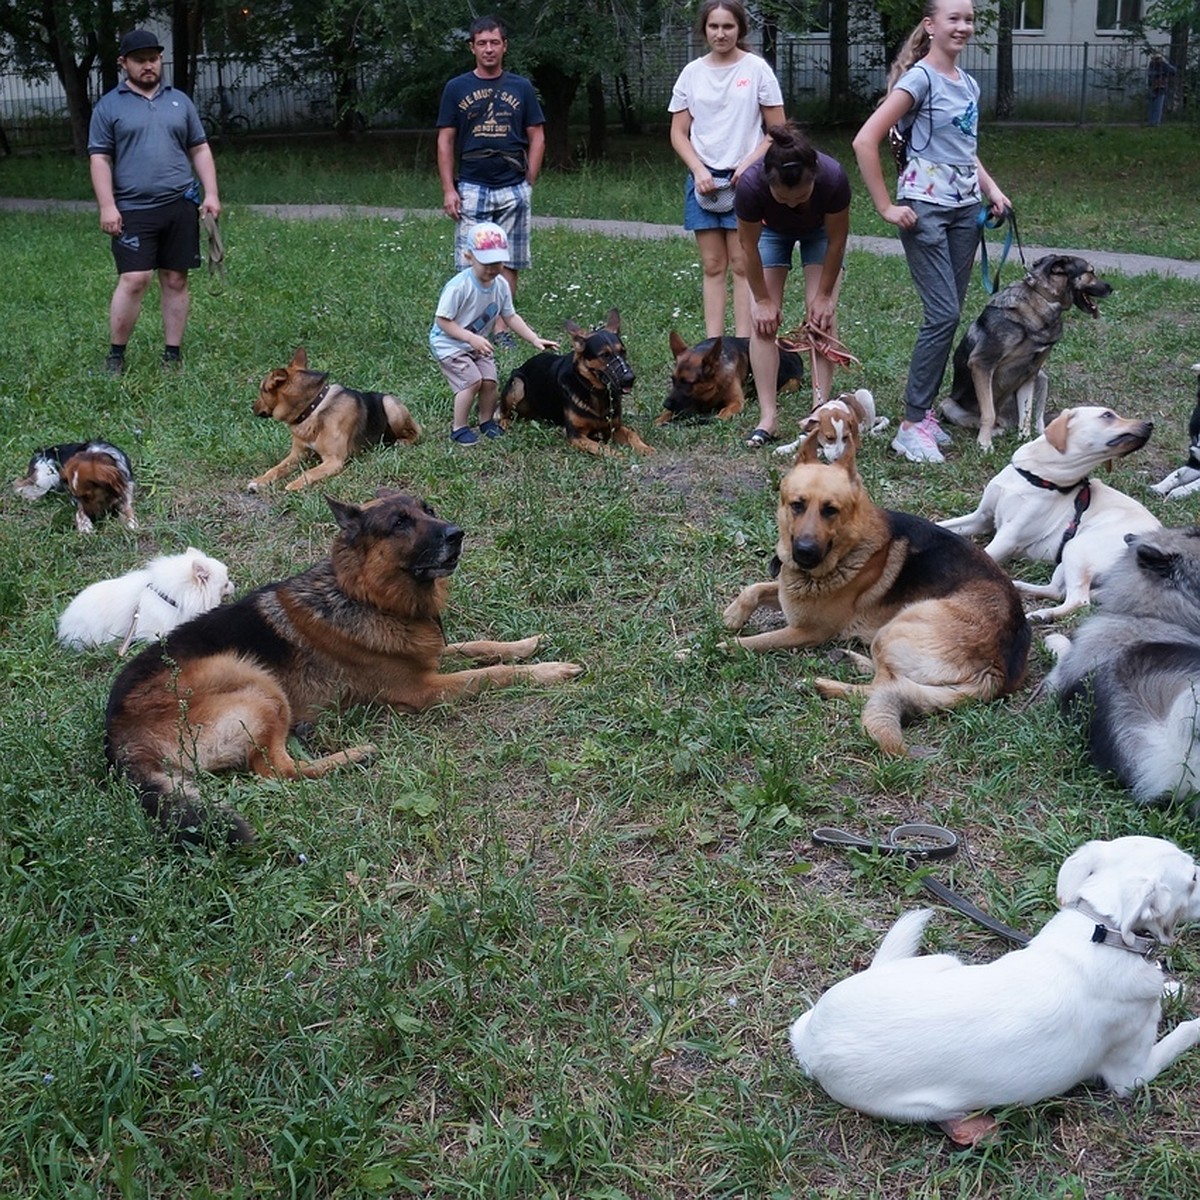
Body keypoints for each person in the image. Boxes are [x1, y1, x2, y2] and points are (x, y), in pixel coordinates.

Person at [852, 0, 1010, 464]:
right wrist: (886, 205)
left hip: (965, 210)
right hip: (925, 210)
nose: (962, 27)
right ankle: (909, 422)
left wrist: (992, 190)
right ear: (931, 25)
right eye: (953, 18)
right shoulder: (919, 79)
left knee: (950, 313)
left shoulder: (969, 83)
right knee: (942, 314)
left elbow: (965, 149)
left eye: (968, 19)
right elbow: (865, 139)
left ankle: (922, 419)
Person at [87, 28, 220, 375]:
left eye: (154, 59)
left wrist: (211, 193)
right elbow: (100, 158)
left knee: (176, 279)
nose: (148, 66)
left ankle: (172, 356)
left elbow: (199, 147)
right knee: (135, 279)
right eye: (140, 60)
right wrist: (107, 205)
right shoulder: (109, 105)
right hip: (132, 208)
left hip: (179, 204)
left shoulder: (180, 101)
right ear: (123, 63)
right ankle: (116, 356)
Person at [668, 0, 784, 339]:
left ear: (740, 29)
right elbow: (678, 132)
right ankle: (714, 345)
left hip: (746, 181)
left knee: (743, 265)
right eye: (714, 26)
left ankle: (745, 347)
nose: (721, 33)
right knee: (713, 265)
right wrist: (698, 169)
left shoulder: (756, 69)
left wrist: (749, 165)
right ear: (704, 30)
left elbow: (777, 130)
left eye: (728, 26)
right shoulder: (692, 72)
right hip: (703, 181)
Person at [736, 122, 851, 447]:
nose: (792, 203)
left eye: (801, 196)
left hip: (820, 234)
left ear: (814, 177)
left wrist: (825, 296)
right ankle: (768, 418)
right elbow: (748, 248)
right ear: (768, 183)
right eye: (783, 198)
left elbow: (836, 241)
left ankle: (820, 408)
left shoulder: (833, 177)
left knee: (821, 320)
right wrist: (761, 300)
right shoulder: (750, 186)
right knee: (763, 324)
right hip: (770, 233)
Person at [436, 16, 545, 349]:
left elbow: (537, 135)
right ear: (472, 47)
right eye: (481, 43)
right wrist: (449, 189)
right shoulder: (456, 88)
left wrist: (529, 180)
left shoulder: (521, 87)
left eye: (494, 42)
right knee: (471, 259)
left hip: (513, 183)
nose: (488, 49)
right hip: (472, 185)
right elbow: (445, 140)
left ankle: (501, 329)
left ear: (504, 46)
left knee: (509, 259)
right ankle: (468, 330)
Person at [430, 222, 557, 446]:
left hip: (477, 344)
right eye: (486, 262)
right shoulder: (459, 287)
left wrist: (534, 338)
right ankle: (458, 428)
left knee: (490, 381)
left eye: (497, 262)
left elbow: (510, 316)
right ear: (469, 257)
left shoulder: (500, 286)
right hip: (448, 344)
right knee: (471, 382)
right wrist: (470, 338)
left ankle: (486, 421)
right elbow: (442, 321)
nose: (492, 268)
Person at [1147, 51, 1176, 126]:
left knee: (1158, 107)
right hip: (1153, 87)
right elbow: (1150, 74)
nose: (1157, 60)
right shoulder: (1152, 65)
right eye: (1156, 59)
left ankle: (1155, 123)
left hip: (1161, 88)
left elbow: (1173, 71)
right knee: (1152, 106)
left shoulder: (1164, 65)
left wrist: (1164, 64)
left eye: (1158, 58)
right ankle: (1151, 122)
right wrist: (1159, 73)